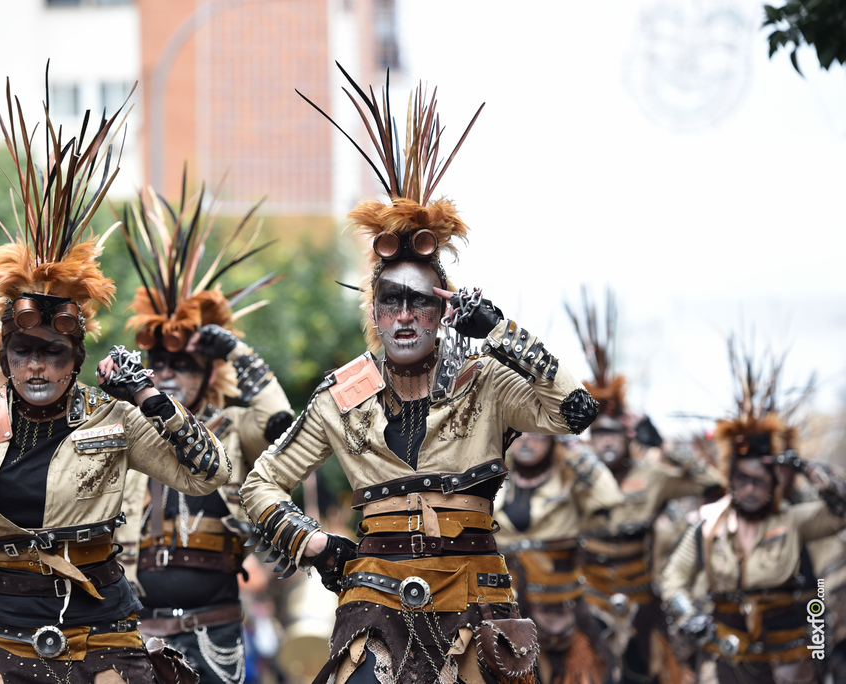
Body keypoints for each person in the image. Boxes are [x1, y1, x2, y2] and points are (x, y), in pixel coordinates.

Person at [240, 66, 600, 684]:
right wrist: (313, 543)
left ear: (443, 309)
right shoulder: (342, 394)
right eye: (390, 302)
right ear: (373, 312)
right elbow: (261, 483)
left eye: (420, 301)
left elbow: (576, 411)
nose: (405, 316)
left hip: (477, 609)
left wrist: (504, 331)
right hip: (374, 611)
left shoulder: (485, 381)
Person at [0, 75, 228, 684]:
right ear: (4, 354)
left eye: (52, 352)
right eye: (23, 352)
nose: (37, 366)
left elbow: (211, 472)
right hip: (2, 629)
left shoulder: (115, 417)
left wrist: (150, 397)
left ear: (75, 356)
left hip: (103, 628)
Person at [114, 182, 293, 684]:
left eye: (185, 364)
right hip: (135, 636)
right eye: (160, 363)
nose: (169, 375)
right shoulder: (124, 436)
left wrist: (236, 351)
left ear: (209, 373)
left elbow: (282, 427)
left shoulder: (234, 429)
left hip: (216, 637)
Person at [659, 342, 846, 684]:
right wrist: (689, 616)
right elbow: (673, 578)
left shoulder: (794, 521)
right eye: (742, 480)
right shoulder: (708, 524)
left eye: (759, 481)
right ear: (730, 480)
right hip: (727, 654)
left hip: (789, 657)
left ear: (773, 484)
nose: (750, 489)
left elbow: (841, 511)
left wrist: (807, 469)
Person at [567, 289, 722, 684]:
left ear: (628, 433)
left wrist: (668, 445)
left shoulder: (651, 475)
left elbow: (715, 486)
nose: (605, 442)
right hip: (590, 604)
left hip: (643, 605)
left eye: (614, 434)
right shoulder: (573, 471)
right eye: (598, 433)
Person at [495, 433, 621, 683]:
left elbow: (611, 498)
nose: (527, 441)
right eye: (520, 434)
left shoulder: (568, 476)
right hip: (502, 609)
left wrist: (573, 445)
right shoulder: (496, 477)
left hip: (560, 611)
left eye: (538, 435)